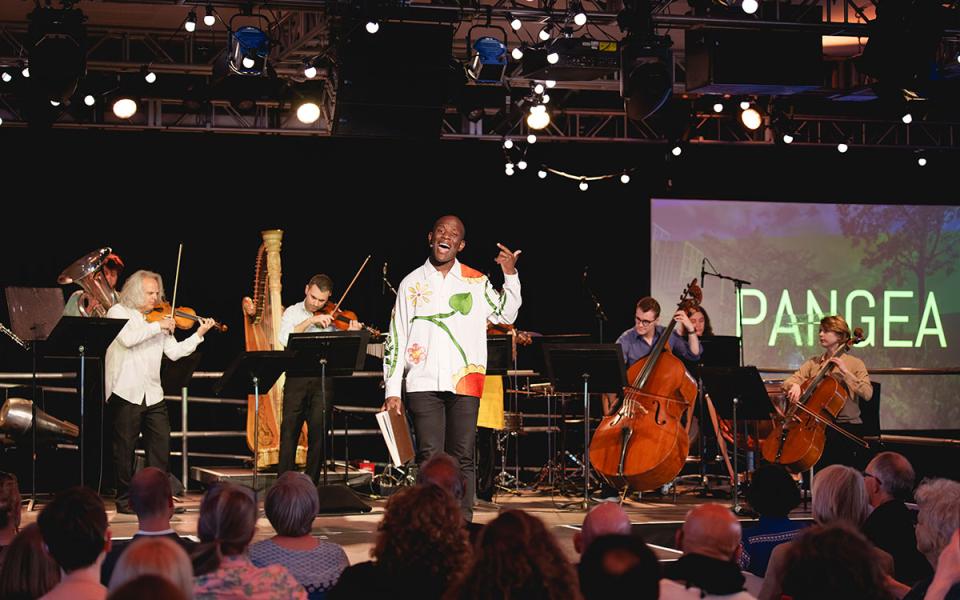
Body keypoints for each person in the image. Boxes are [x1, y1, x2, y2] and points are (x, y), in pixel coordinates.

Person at [382, 215, 521, 521]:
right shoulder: (410, 283)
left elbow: (506, 313)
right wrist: (393, 390)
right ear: (430, 237)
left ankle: (462, 524)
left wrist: (509, 274)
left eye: (454, 234)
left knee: (463, 458)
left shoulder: (476, 281)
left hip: (465, 382)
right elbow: (397, 337)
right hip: (422, 383)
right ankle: (430, 521)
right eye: (441, 231)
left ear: (461, 244)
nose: (446, 236)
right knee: (430, 458)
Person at [105, 270, 215, 513]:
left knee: (161, 447)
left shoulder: (159, 319)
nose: (156, 298)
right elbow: (129, 339)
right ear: (135, 292)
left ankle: (156, 500)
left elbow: (174, 353)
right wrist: (158, 326)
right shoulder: (118, 312)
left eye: (157, 293)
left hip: (153, 392)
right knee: (125, 450)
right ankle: (125, 500)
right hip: (126, 390)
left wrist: (198, 334)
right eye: (150, 293)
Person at [277, 274, 361, 482]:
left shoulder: (335, 316)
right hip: (297, 379)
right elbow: (284, 338)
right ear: (306, 289)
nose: (316, 304)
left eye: (321, 301)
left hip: (323, 380)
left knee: (319, 435)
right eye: (313, 297)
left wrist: (351, 335)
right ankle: (284, 484)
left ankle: (311, 485)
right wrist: (311, 320)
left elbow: (345, 352)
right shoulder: (293, 312)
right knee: (289, 433)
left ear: (329, 297)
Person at [780, 314, 872, 469]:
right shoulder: (814, 363)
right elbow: (789, 381)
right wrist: (794, 386)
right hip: (819, 428)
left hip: (846, 428)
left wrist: (845, 373)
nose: (820, 334)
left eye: (826, 331)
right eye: (820, 331)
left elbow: (868, 393)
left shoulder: (855, 364)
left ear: (840, 335)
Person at [602, 296, 702, 415]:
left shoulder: (668, 335)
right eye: (637, 319)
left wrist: (690, 328)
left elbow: (694, 354)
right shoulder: (626, 339)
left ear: (656, 320)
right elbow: (612, 374)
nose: (639, 325)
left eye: (645, 322)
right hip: (635, 405)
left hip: (661, 408)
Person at [64, 253, 124, 317]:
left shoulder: (122, 298)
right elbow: (68, 322)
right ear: (98, 274)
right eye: (106, 273)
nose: (108, 277)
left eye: (113, 275)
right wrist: (88, 310)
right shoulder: (77, 297)